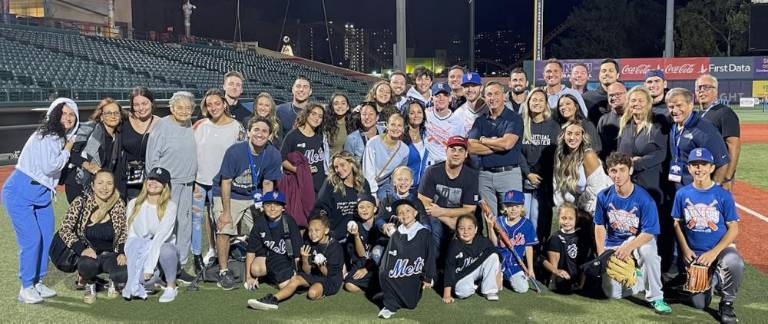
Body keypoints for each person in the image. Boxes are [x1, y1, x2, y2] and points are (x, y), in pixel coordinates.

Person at [3, 97, 78, 304]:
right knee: (32, 240)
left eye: (72, 114)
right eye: (63, 113)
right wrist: (69, 148)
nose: (68, 117)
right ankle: (26, 286)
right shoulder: (47, 135)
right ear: (54, 115)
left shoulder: (60, 137)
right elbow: (50, 167)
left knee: (46, 238)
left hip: (42, 194)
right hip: (20, 191)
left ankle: (38, 282)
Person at [594, 152, 671, 315]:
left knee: (648, 253)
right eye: (613, 171)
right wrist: (602, 254)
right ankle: (640, 278)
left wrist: (628, 248)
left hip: (639, 240)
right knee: (612, 293)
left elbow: (649, 232)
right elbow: (599, 225)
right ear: (608, 172)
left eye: (622, 170)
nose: (617, 175)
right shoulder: (603, 196)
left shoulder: (645, 199)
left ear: (630, 170)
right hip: (614, 242)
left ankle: (656, 297)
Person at [671, 148, 742, 323]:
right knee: (699, 304)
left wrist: (713, 253)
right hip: (696, 254)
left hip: (721, 249)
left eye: (704, 164)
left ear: (711, 168)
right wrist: (685, 249)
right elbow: (677, 223)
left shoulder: (723, 195)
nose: (699, 168)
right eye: (695, 164)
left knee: (734, 262)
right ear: (689, 168)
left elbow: (734, 228)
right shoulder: (682, 194)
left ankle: (727, 302)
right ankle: (713, 280)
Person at [213, 116, 282, 289]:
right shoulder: (235, 151)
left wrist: (267, 209)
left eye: (264, 131)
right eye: (256, 130)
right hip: (229, 193)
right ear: (248, 133)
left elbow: (268, 183)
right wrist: (226, 212)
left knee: (264, 229)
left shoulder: (273, 154)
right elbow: (226, 182)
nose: (260, 134)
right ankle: (223, 271)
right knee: (224, 228)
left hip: (253, 194)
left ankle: (262, 268)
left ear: (270, 135)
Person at [192, 88, 246, 271]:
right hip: (200, 181)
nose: (213, 107)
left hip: (223, 183)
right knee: (198, 219)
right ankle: (200, 255)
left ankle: (226, 252)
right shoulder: (199, 125)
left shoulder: (236, 127)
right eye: (209, 104)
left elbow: (242, 155)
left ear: (224, 104)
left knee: (220, 220)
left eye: (217, 103)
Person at [145, 91, 197, 277]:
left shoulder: (191, 124)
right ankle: (158, 265)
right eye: (179, 107)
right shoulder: (162, 126)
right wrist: (156, 185)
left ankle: (179, 265)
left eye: (188, 108)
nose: (184, 111)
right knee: (165, 226)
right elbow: (151, 159)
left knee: (184, 225)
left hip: (187, 183)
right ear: (172, 108)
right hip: (168, 185)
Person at [247, 214, 344, 310]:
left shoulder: (335, 247)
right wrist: (305, 259)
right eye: (310, 230)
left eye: (317, 230)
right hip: (315, 275)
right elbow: (307, 271)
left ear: (326, 230)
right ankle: (273, 299)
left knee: (312, 294)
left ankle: (318, 291)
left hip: (330, 279)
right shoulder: (309, 242)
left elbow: (329, 274)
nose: (312, 233)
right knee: (296, 279)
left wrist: (321, 265)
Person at [57, 170, 127, 304]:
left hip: (111, 254)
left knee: (123, 273)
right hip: (90, 255)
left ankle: (113, 280)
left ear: (114, 186)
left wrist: (122, 252)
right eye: (100, 183)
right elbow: (65, 229)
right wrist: (82, 249)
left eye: (109, 183)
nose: (104, 187)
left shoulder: (118, 204)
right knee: (86, 264)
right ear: (93, 186)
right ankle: (90, 283)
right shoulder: (81, 202)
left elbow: (124, 231)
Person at [122, 167, 180, 303]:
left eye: (158, 181)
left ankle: (171, 286)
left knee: (167, 250)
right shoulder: (133, 203)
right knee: (142, 280)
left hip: (161, 249)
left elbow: (160, 238)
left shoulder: (170, 206)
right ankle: (157, 279)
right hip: (141, 249)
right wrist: (130, 259)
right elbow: (130, 235)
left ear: (165, 186)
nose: (153, 182)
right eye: (151, 178)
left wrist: (149, 267)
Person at [468, 81, 524, 218]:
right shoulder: (480, 120)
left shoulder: (514, 118)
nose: (493, 98)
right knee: (489, 219)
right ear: (484, 98)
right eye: (489, 94)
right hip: (485, 176)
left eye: (496, 93)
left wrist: (484, 140)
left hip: (509, 174)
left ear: (504, 96)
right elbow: (471, 147)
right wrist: (498, 144)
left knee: (512, 218)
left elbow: (507, 144)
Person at [377, 199, 436, 319]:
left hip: (413, 272)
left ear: (415, 213)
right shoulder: (396, 234)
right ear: (397, 217)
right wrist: (385, 271)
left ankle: (394, 297)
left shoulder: (424, 233)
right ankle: (389, 305)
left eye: (408, 211)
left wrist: (428, 276)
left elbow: (430, 256)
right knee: (384, 273)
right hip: (398, 271)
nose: (404, 214)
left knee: (410, 305)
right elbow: (389, 256)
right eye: (400, 212)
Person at [63, 98, 124, 202]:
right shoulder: (88, 128)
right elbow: (70, 153)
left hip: (101, 188)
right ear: (101, 116)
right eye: (108, 113)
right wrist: (87, 164)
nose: (113, 116)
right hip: (78, 183)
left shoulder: (119, 136)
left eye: (116, 113)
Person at [666, 88, 729, 187]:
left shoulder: (705, 129)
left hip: (698, 190)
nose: (675, 110)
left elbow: (722, 163)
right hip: (678, 187)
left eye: (679, 105)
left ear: (690, 105)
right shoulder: (673, 126)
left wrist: (712, 190)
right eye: (671, 107)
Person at [520, 88, 560, 242]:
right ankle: (524, 249)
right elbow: (517, 151)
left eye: (541, 100)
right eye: (534, 100)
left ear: (546, 104)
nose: (537, 103)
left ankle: (539, 249)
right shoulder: (521, 123)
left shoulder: (553, 126)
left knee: (538, 217)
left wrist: (542, 176)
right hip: (524, 178)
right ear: (528, 102)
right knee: (525, 216)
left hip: (544, 181)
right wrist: (528, 173)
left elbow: (554, 154)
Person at [243, 191, 303, 292]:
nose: (272, 208)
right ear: (263, 207)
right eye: (268, 205)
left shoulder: (289, 222)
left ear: (283, 208)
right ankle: (270, 276)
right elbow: (251, 251)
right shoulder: (260, 223)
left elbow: (297, 253)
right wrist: (249, 277)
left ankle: (276, 277)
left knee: (285, 286)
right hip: (268, 258)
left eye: (277, 205)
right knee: (255, 269)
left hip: (285, 259)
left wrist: (298, 273)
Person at [617, 86, 667, 204]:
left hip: (650, 183)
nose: (636, 104)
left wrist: (636, 163)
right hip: (628, 184)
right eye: (633, 100)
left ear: (648, 103)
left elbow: (661, 153)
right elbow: (619, 153)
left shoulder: (658, 123)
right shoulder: (625, 125)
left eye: (641, 100)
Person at [418, 136, 479, 231]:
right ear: (446, 151)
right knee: (435, 227)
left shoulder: (471, 176)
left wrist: (442, 211)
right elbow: (422, 202)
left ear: (466, 154)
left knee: (467, 225)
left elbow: (470, 209)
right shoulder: (432, 171)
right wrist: (446, 219)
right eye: (453, 150)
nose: (456, 154)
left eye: (460, 150)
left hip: (456, 216)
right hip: (434, 216)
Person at [553, 120, 611, 216]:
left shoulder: (588, 155)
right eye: (569, 133)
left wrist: (579, 207)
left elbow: (598, 189)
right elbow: (560, 188)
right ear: (563, 135)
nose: (572, 137)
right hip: (584, 207)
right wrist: (565, 208)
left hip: (603, 204)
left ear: (582, 136)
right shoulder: (560, 156)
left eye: (577, 134)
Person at [484, 190, 538, 293]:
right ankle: (498, 275)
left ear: (522, 207)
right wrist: (490, 227)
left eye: (517, 206)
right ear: (505, 207)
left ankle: (507, 277)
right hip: (499, 262)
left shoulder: (527, 224)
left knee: (522, 288)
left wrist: (530, 269)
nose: (513, 209)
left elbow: (528, 247)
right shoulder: (499, 221)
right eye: (509, 206)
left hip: (515, 264)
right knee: (495, 288)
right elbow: (494, 243)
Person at [694, 74, 741, 192]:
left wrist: (728, 178)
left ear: (716, 91)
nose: (702, 91)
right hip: (701, 172)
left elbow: (733, 146)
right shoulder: (698, 114)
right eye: (699, 88)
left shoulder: (725, 113)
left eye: (706, 87)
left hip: (718, 173)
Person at [313, 151, 370, 242]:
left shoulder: (363, 183)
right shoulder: (330, 183)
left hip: (358, 236)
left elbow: (369, 208)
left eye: (342, 165)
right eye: (336, 167)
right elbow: (320, 208)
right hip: (336, 237)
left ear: (351, 163)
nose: (339, 170)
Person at [442, 215, 501, 303]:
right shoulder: (454, 246)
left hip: (475, 271)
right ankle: (478, 285)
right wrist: (447, 294)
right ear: (457, 230)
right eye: (462, 228)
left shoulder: (481, 241)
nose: (466, 231)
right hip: (462, 276)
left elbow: (495, 252)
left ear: (476, 229)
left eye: (470, 228)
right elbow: (449, 270)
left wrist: (498, 274)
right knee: (462, 293)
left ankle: (489, 290)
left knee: (493, 255)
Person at [118, 87, 160, 200]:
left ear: (152, 103)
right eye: (136, 105)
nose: (141, 108)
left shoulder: (161, 124)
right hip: (130, 177)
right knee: (133, 207)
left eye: (144, 103)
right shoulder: (123, 122)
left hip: (154, 178)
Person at [542, 202, 588, 293]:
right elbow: (541, 259)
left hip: (575, 279)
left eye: (570, 219)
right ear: (559, 218)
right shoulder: (555, 237)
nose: (567, 222)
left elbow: (584, 263)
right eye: (563, 218)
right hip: (561, 277)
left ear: (576, 219)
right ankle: (553, 281)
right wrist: (556, 271)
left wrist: (581, 285)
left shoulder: (581, 238)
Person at [282, 103, 327, 194]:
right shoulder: (293, 135)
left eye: (320, 116)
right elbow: (282, 160)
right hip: (300, 186)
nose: (317, 118)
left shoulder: (321, 136)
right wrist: (298, 170)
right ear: (306, 114)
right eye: (313, 114)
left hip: (319, 186)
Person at [363, 113, 409, 200]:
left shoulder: (405, 149)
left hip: (386, 185)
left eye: (399, 125)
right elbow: (368, 171)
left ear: (403, 129)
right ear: (387, 126)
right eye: (393, 125)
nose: (396, 128)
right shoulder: (373, 143)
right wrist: (373, 194)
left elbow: (398, 174)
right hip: (368, 184)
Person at [344, 193, 384, 293]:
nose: (364, 209)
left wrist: (366, 269)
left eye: (368, 206)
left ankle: (378, 285)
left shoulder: (381, 226)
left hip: (379, 265)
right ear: (357, 210)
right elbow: (362, 255)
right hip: (363, 262)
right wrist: (356, 235)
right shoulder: (356, 226)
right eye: (361, 207)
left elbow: (383, 255)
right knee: (349, 285)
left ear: (375, 209)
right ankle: (375, 287)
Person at [424, 83, 465, 164]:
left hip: (447, 162)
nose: (441, 98)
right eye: (437, 96)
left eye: (445, 95)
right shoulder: (425, 114)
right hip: (427, 162)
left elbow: (460, 146)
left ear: (450, 98)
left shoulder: (458, 121)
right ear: (432, 98)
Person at [583, 58, 620, 126]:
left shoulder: (627, 96)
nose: (607, 73)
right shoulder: (586, 98)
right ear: (599, 75)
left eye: (611, 71)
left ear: (617, 75)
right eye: (603, 71)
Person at [402, 99, 429, 191]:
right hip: (404, 188)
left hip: (422, 188)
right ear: (406, 115)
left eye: (419, 112)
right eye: (412, 113)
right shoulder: (400, 138)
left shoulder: (426, 135)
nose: (416, 115)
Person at [597, 82, 627, 161]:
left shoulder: (635, 116)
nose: (613, 98)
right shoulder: (603, 120)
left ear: (627, 95)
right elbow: (599, 147)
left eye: (618, 94)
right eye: (610, 95)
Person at [323, 93, 354, 157]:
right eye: (336, 104)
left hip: (351, 161)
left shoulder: (354, 123)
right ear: (332, 107)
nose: (340, 106)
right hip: (332, 161)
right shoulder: (325, 124)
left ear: (348, 107)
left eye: (343, 103)